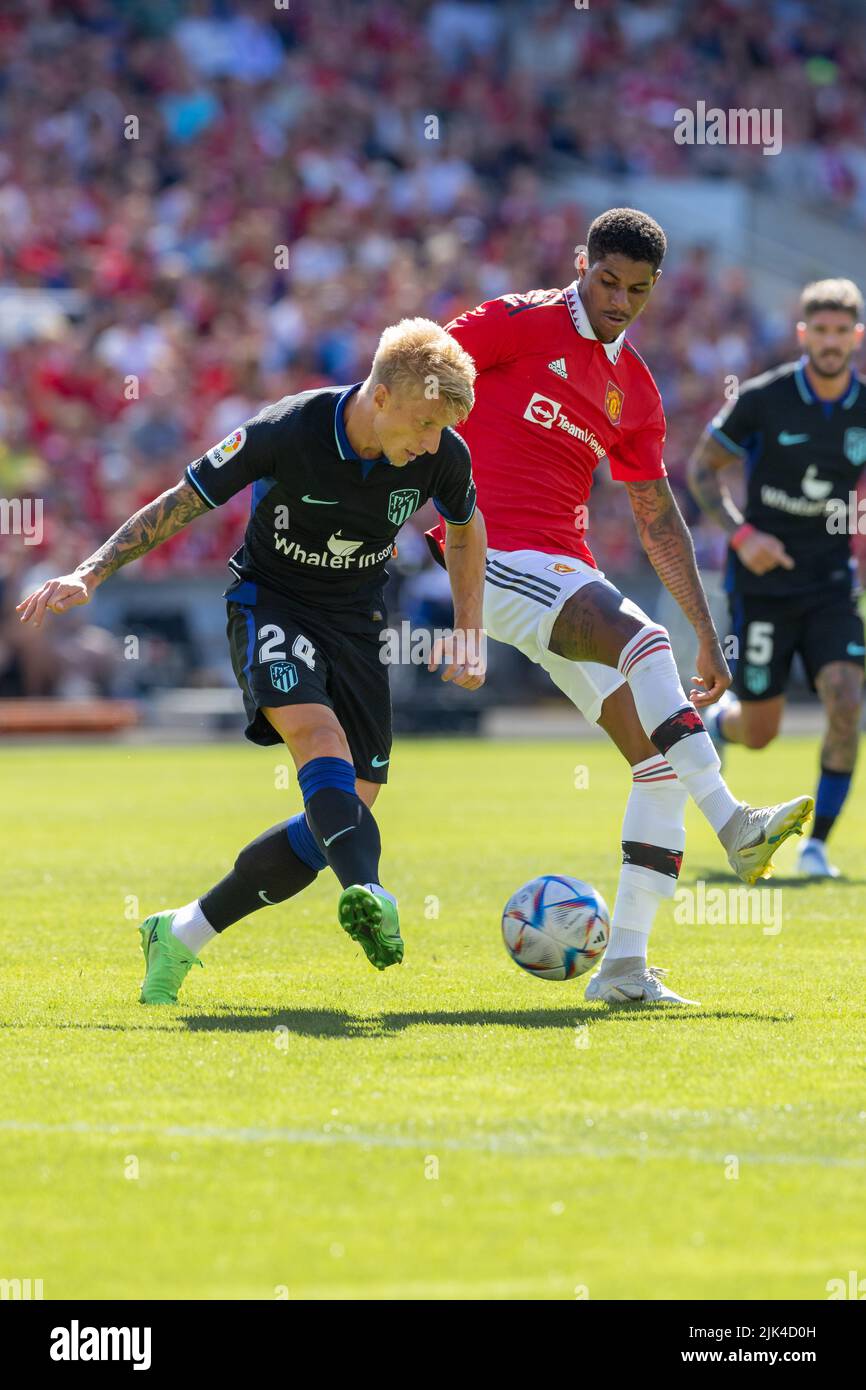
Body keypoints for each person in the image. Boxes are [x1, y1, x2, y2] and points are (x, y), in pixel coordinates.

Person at [18, 319, 487, 1000]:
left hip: (356, 620)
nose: (429, 443)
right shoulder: (286, 430)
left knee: (352, 807)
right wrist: (90, 572)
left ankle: (181, 933)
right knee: (319, 742)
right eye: (422, 424)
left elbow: (469, 531)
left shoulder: (442, 455)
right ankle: (369, 892)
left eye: (440, 429)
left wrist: (470, 630)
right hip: (272, 602)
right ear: (380, 397)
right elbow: (184, 501)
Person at [427, 207, 813, 1006]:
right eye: (606, 281)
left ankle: (625, 969)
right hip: (490, 556)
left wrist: (709, 636)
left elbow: (656, 515)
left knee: (656, 763)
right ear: (581, 264)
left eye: (636, 290)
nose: (618, 299)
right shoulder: (515, 322)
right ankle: (735, 822)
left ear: (654, 289)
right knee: (643, 644)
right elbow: (413, 375)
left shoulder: (634, 390)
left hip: (561, 571)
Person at [687, 278, 866, 878]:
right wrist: (742, 535)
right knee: (761, 731)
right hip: (763, 585)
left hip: (832, 584)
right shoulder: (764, 397)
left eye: (843, 331)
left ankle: (817, 847)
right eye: (821, 330)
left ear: (856, 336)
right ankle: (720, 722)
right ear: (803, 335)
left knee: (847, 698)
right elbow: (701, 470)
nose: (832, 341)